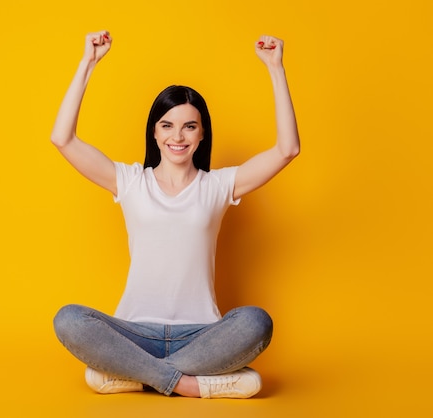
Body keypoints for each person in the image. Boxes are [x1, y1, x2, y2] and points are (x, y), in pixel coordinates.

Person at [51, 31, 300, 399]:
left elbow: (287, 149)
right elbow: (63, 139)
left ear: (202, 135)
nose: (177, 136)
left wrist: (276, 68)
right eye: (167, 125)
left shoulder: (217, 185)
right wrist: (88, 63)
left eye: (189, 126)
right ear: (154, 132)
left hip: (202, 334)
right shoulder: (130, 181)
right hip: (133, 334)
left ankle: (134, 376)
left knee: (255, 322)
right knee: (69, 319)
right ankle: (190, 385)